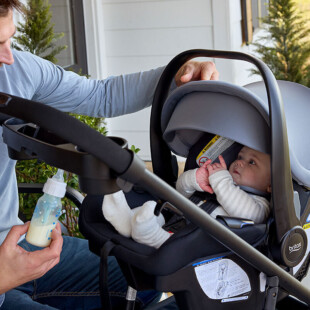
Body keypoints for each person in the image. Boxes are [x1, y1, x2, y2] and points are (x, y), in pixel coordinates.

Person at [0, 0, 219, 308]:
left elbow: (100, 95)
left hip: (19, 245)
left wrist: (177, 74)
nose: (8, 57)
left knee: (144, 279)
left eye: (8, 38)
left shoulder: (15, 70)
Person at [103, 146, 271, 249]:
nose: (240, 162)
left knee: (168, 239)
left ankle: (148, 235)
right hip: (177, 218)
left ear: (270, 185)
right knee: (153, 212)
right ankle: (127, 221)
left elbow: (249, 215)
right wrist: (195, 179)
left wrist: (221, 180)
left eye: (252, 163)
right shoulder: (220, 180)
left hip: (199, 246)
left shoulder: (259, 205)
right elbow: (180, 194)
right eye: (240, 157)